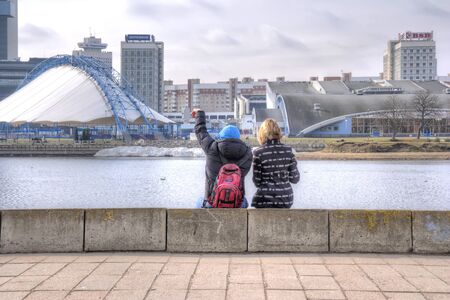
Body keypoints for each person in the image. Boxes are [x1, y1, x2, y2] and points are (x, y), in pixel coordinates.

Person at [192, 109, 252, 208]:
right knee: (244, 201)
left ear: (221, 136)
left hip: (212, 202)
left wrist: (199, 113)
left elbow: (201, 131)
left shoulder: (211, 147)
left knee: (199, 201)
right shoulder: (247, 153)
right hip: (236, 203)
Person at [252, 118, 300, 208]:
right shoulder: (288, 151)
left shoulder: (258, 153)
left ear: (262, 134)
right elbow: (295, 179)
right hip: (286, 198)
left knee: (257, 201)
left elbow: (257, 182)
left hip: (265, 198)